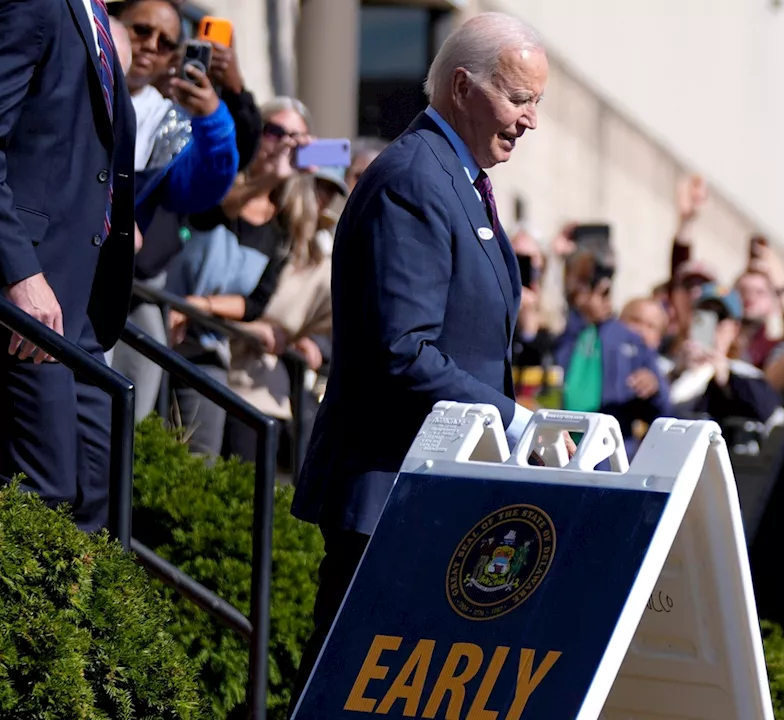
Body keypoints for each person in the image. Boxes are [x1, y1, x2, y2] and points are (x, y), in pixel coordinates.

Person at [287, 12, 551, 706]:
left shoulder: (456, 177)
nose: (528, 121)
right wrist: (515, 423)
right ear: (462, 86)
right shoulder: (413, 179)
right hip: (388, 496)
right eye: (518, 100)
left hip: (431, 492)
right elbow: (403, 352)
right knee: (341, 693)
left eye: (536, 104)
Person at [0, 0, 136, 532]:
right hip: (21, 306)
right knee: (37, 502)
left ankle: (79, 621)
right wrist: (19, 273)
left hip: (81, 309)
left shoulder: (89, 11)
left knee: (97, 498)